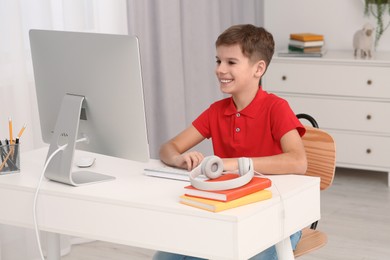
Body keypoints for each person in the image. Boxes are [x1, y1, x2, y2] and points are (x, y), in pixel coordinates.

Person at [154, 24, 307, 260]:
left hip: (275, 218)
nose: (220, 69)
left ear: (259, 69)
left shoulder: (276, 109)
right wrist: (178, 157)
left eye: (231, 62)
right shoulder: (216, 111)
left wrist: (232, 164)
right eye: (218, 61)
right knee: (167, 256)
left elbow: (298, 162)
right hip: (227, 214)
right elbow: (168, 147)